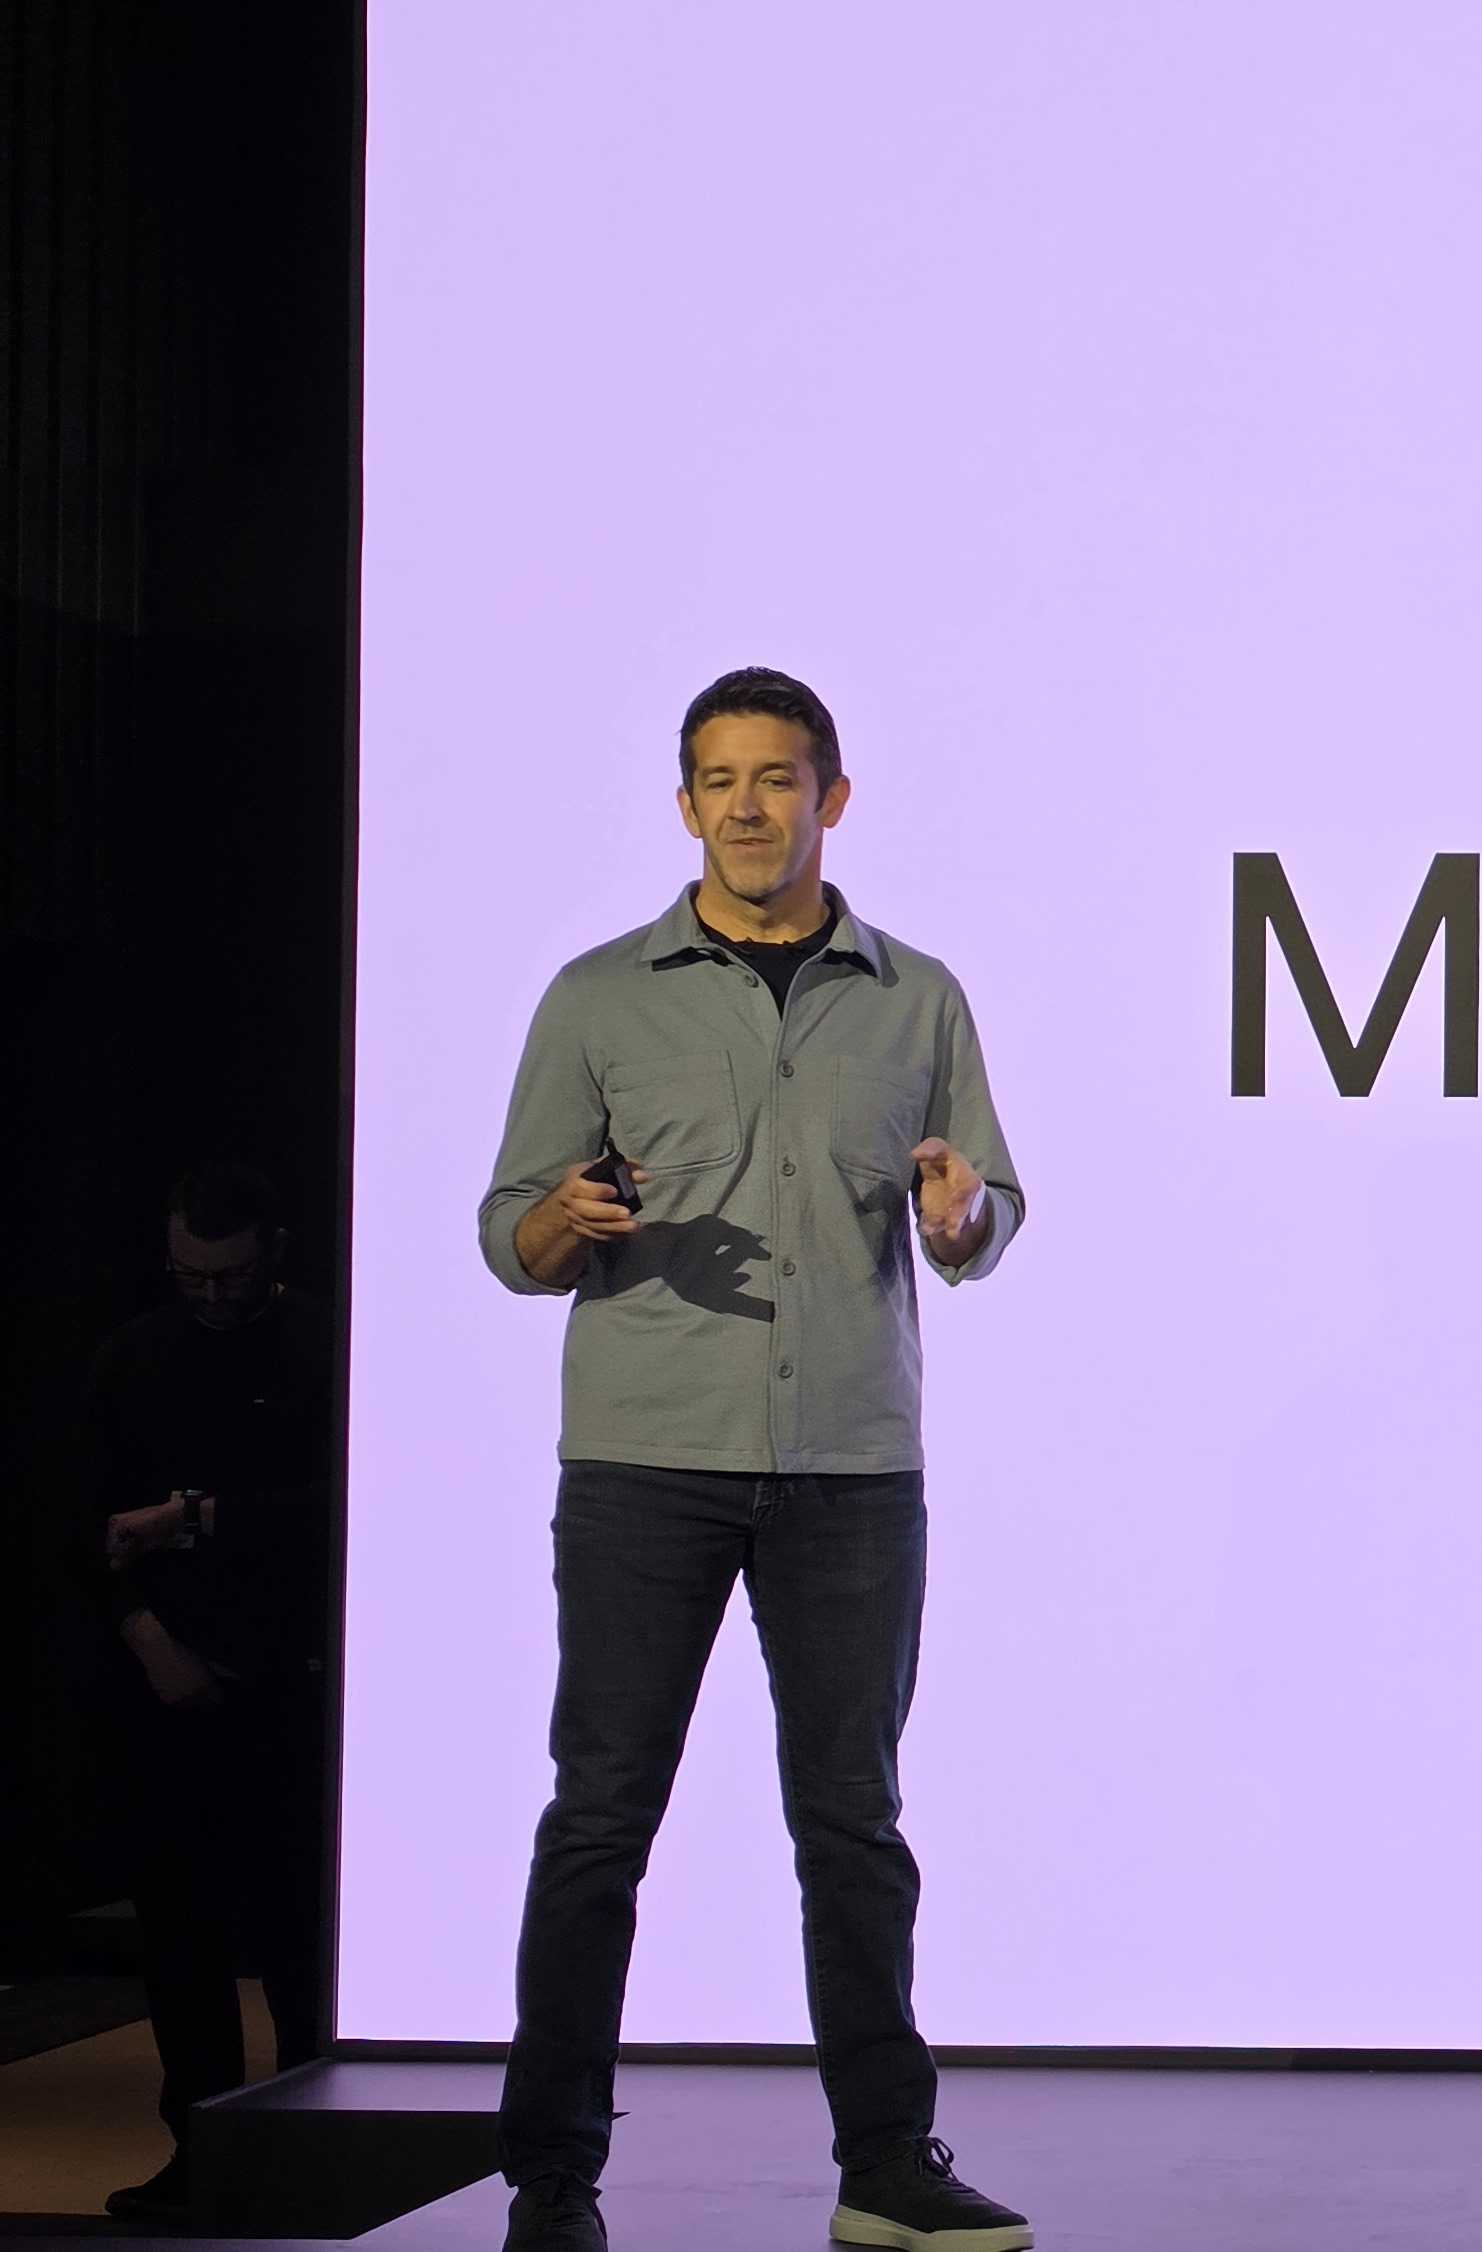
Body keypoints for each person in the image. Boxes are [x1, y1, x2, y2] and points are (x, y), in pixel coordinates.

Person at [475, 667, 1032, 2252]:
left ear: (829, 799)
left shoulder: (916, 995)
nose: (747, 806)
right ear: (684, 805)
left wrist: (958, 1215)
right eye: (720, 779)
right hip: (648, 1461)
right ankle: (551, 2174)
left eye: (778, 779)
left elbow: (988, 1206)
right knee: (600, 1818)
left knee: (852, 1823)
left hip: (852, 1466)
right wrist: (561, 1224)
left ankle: (887, 2166)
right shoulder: (599, 995)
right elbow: (509, 1231)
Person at [83, 1160, 336, 2220]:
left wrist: (192, 1513)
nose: (212, 1295)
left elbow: (345, 1495)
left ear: (272, 1251)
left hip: (299, 1678)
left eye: (230, 1276)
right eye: (192, 1274)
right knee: (181, 1940)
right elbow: (75, 1517)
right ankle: (201, 2153)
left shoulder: (325, 1344)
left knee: (297, 1939)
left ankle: (316, 2148)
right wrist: (145, 1636)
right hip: (168, 1675)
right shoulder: (134, 1355)